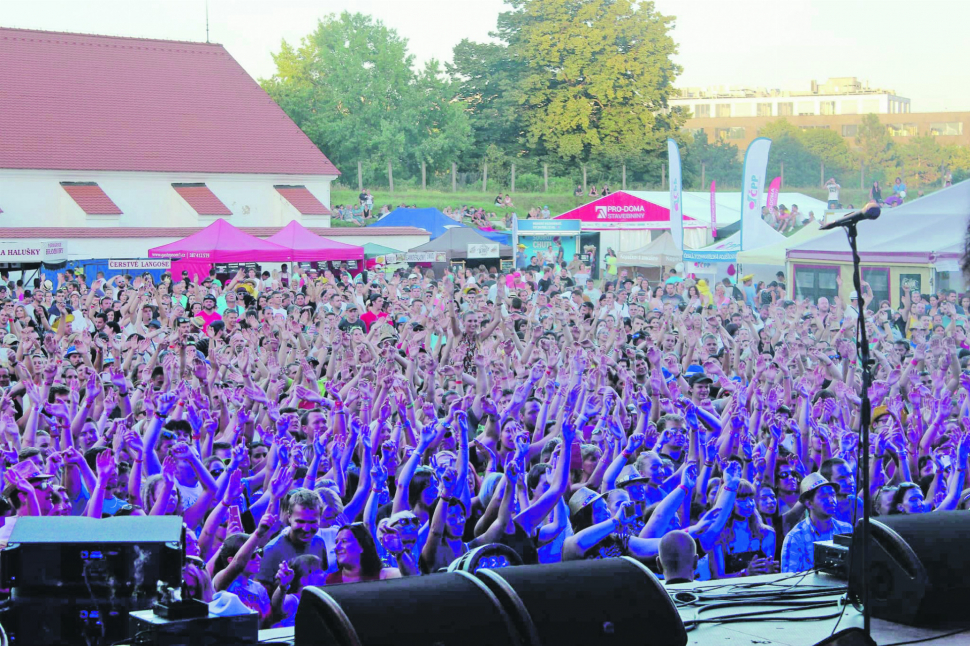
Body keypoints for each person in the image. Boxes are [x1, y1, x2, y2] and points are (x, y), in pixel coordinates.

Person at [780, 474, 853, 573]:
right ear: (809, 503)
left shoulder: (846, 530)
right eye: (824, 496)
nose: (832, 501)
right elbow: (788, 580)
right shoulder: (795, 538)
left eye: (833, 495)